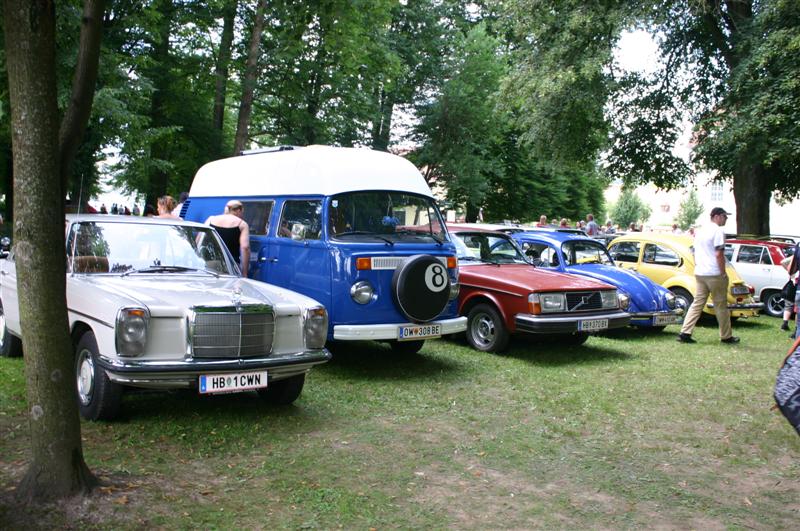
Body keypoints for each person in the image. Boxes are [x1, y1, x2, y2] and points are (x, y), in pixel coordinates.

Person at [677, 207, 739, 344]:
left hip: (700, 272)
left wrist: (698, 265)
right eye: (724, 216)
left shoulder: (701, 231)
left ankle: (685, 332)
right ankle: (726, 336)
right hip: (714, 273)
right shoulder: (718, 231)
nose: (726, 219)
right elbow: (719, 253)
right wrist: (723, 273)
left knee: (697, 303)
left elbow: (693, 251)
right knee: (721, 305)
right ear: (717, 216)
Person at [205, 200, 250, 277]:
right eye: (242, 212)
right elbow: (245, 247)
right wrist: (244, 272)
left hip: (209, 262)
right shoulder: (242, 224)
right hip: (231, 264)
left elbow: (199, 239)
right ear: (239, 210)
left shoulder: (211, 219)